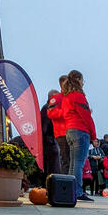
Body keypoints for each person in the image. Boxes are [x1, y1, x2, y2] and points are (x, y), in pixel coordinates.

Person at [61, 70, 96, 202]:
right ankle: (78, 191)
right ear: (78, 80)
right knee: (78, 164)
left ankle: (71, 190)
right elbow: (86, 117)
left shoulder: (66, 97)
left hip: (69, 130)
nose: (83, 83)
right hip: (80, 131)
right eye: (82, 80)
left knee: (72, 164)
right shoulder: (78, 96)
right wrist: (93, 135)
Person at [46, 75, 70, 173]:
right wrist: (66, 112)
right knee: (65, 160)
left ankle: (72, 182)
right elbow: (51, 113)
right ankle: (65, 183)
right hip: (62, 133)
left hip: (73, 132)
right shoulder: (56, 98)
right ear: (62, 84)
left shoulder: (71, 97)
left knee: (73, 161)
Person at [39, 89, 61, 176]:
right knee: (52, 166)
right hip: (49, 141)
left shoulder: (49, 108)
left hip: (50, 140)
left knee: (53, 166)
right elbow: (44, 126)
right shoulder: (48, 108)